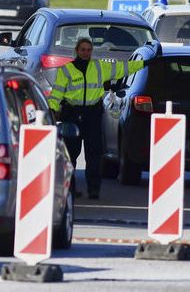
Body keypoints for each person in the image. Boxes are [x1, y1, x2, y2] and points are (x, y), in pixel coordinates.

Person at [48, 38, 146, 200]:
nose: (86, 53)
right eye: (83, 50)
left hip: (92, 115)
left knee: (94, 155)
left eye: (88, 50)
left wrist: (145, 63)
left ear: (91, 51)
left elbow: (124, 68)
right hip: (72, 115)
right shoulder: (66, 70)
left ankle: (94, 190)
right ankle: (70, 189)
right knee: (70, 155)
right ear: (77, 51)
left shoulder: (100, 67)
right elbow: (57, 92)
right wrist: (52, 108)